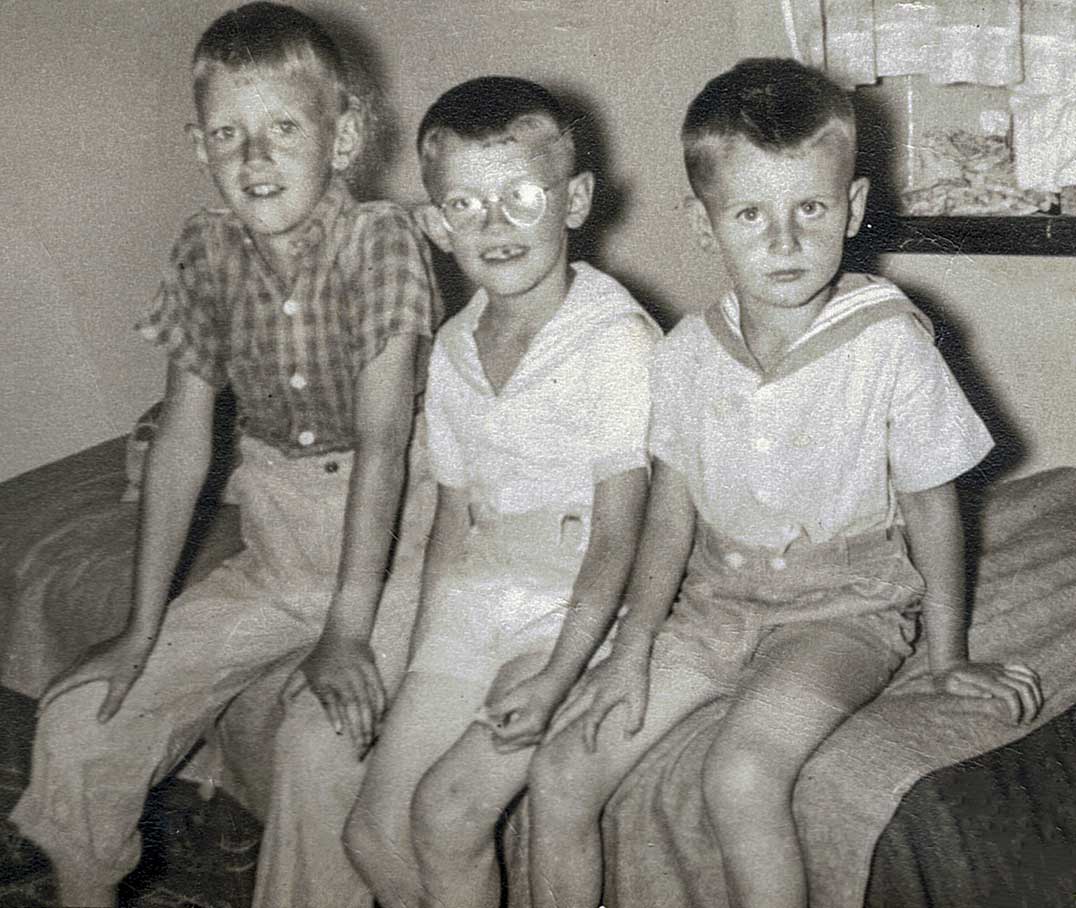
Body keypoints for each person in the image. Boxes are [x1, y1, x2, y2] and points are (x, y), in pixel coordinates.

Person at [526, 57, 1045, 908]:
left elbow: (933, 506)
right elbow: (671, 515)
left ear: (854, 206)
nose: (785, 241)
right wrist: (632, 649)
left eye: (811, 208)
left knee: (739, 775)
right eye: (750, 214)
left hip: (844, 612)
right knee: (561, 769)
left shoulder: (889, 342)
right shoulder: (687, 355)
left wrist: (947, 657)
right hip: (716, 606)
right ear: (703, 224)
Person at [8, 4, 439, 906]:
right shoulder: (204, 249)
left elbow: (387, 445)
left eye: (284, 128)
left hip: (391, 562)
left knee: (319, 748)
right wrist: (141, 627)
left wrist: (348, 631)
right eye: (227, 134)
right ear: (198, 147)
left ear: (344, 135)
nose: (254, 158)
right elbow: (180, 442)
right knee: (84, 720)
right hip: (276, 556)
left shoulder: (383, 241)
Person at [342, 76, 660, 908]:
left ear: (575, 200)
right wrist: (419, 663)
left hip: (574, 607)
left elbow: (621, 535)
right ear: (437, 225)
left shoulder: (615, 340)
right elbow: (450, 519)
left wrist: (559, 674)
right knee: (371, 835)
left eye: (521, 197)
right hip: (478, 596)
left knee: (446, 813)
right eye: (466, 205)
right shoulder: (450, 349)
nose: (494, 225)